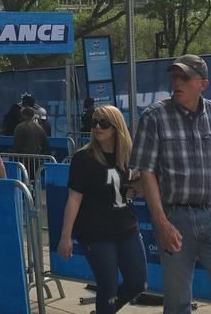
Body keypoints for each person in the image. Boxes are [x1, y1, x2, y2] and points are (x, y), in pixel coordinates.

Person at [131, 54, 211, 314]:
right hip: (174, 216)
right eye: (174, 76)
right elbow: (146, 172)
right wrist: (161, 222)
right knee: (177, 301)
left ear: (203, 84)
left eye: (184, 77)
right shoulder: (154, 116)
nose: (177, 82)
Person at [57, 105, 146, 314]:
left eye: (104, 123)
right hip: (95, 231)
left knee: (138, 283)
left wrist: (137, 188)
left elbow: (132, 189)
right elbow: (74, 198)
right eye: (94, 122)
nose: (98, 127)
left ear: (116, 127)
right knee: (108, 288)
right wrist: (65, 236)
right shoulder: (83, 158)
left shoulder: (127, 155)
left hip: (126, 227)